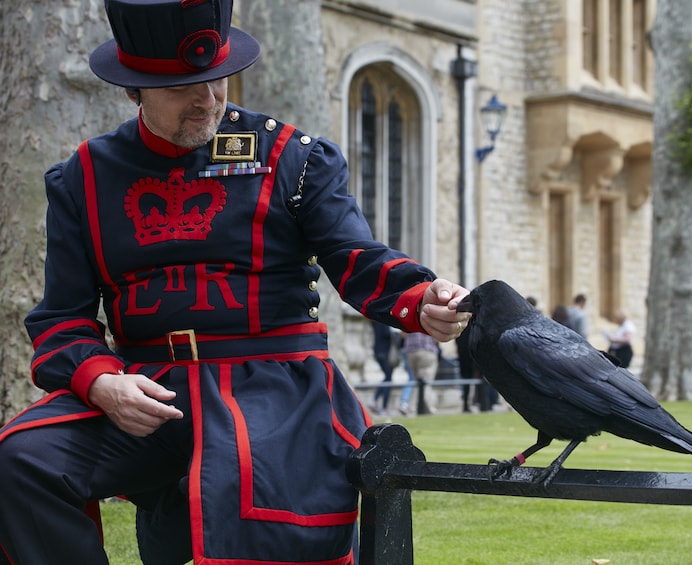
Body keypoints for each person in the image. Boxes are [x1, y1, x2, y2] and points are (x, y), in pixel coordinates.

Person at [0, 1, 471, 563]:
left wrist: (422, 299)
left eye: (216, 78)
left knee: (254, 512)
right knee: (21, 460)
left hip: (275, 389)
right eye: (182, 87)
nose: (207, 99)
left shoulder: (292, 157)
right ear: (133, 91)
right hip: (146, 390)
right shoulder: (83, 177)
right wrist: (103, 383)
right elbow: (62, 319)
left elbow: (356, 258)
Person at [400, 331, 441, 415]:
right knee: (425, 383)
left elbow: (403, 334)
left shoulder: (410, 317)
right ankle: (414, 408)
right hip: (427, 349)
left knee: (418, 382)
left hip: (411, 351)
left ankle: (426, 408)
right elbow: (438, 337)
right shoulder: (429, 317)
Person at [369, 321, 398, 415]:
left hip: (378, 351)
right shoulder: (383, 321)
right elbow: (386, 333)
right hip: (384, 352)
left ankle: (376, 401)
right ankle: (383, 406)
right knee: (388, 378)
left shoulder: (375, 321)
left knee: (387, 377)